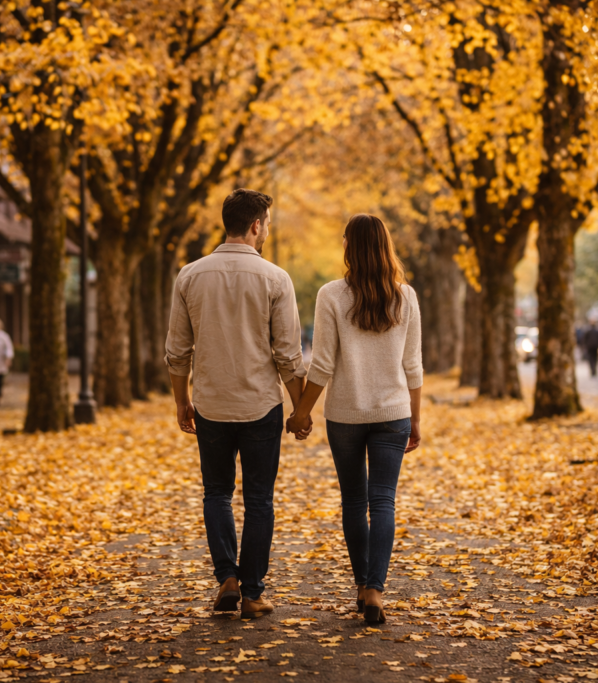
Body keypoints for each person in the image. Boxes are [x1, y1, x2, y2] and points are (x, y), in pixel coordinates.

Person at [165, 188, 306, 619]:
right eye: (267, 225)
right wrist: (300, 410)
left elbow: (176, 352)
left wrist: (181, 402)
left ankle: (226, 576)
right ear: (257, 225)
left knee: (217, 493)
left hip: (210, 404)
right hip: (261, 404)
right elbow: (288, 355)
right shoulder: (276, 279)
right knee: (259, 499)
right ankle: (252, 592)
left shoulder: (189, 275)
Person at [286, 214, 423, 625]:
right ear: (386, 246)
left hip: (346, 415)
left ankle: (363, 585)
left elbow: (323, 364)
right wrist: (416, 419)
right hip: (394, 413)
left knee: (354, 500)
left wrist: (301, 412)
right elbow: (413, 366)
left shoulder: (331, 295)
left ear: (349, 247)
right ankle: (376, 590)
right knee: (383, 500)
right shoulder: (406, 296)